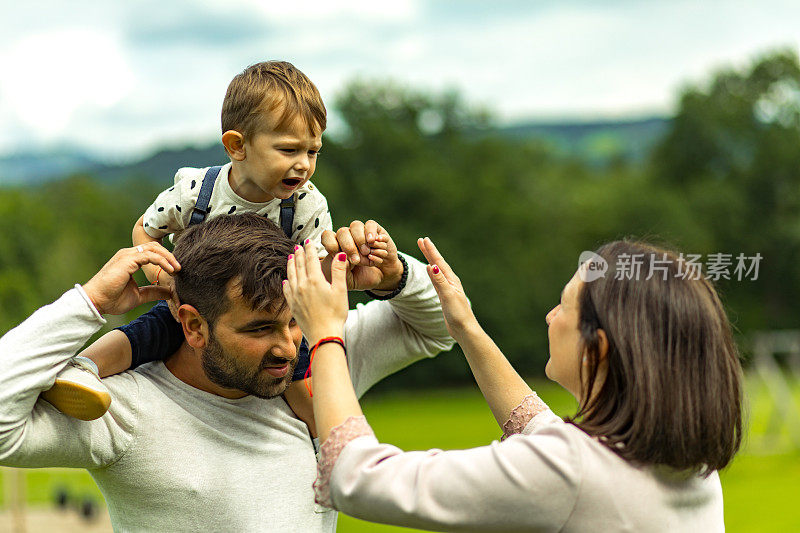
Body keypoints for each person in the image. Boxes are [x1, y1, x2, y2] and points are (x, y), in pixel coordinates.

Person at [0, 214, 454, 531]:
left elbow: (437, 328)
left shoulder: (324, 356)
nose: (287, 345)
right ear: (194, 325)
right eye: (259, 328)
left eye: (294, 319)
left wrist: (394, 277)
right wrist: (89, 303)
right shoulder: (123, 408)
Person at [283, 238, 744, 531]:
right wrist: (466, 327)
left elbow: (360, 478)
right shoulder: (691, 462)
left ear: (597, 348)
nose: (551, 317)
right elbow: (538, 428)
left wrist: (325, 332)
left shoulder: (571, 471)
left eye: (563, 307)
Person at [41, 61, 384, 423]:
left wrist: (347, 262)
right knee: (147, 333)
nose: (303, 165)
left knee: (301, 372)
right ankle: (81, 372)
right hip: (197, 303)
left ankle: (325, 442)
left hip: (267, 316)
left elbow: (314, 268)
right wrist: (165, 280)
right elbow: (145, 229)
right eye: (288, 150)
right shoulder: (197, 190)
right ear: (237, 146)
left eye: (312, 152)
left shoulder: (305, 205)